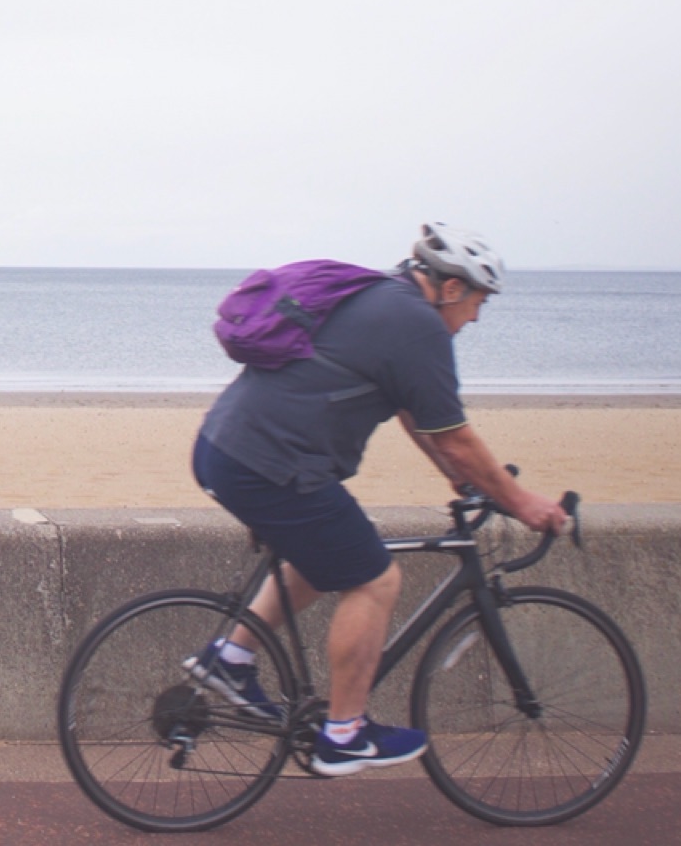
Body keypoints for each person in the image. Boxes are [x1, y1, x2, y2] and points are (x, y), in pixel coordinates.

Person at [187, 223, 568, 776]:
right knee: (375, 578)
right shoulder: (418, 327)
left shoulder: (377, 297)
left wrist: (462, 481)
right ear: (454, 288)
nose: (479, 318)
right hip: (271, 464)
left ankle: (230, 658)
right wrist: (523, 502)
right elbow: (458, 438)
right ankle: (343, 733)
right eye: (481, 302)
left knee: (324, 561)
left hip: (226, 449)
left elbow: (422, 418)